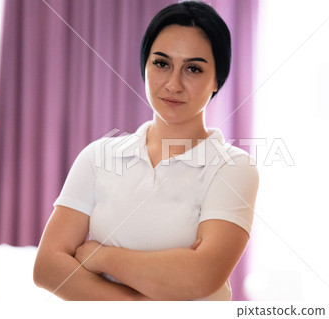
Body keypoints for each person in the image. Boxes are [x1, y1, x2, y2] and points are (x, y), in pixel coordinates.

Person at [33, 1, 258, 301]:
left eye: (193, 69)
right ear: (144, 65)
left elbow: (202, 275)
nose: (173, 84)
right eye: (161, 63)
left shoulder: (233, 168)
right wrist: (143, 306)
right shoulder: (98, 156)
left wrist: (101, 257)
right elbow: (48, 267)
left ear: (217, 79)